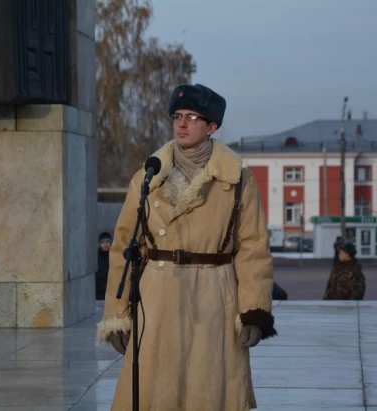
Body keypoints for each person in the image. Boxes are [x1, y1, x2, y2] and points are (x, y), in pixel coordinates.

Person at [96, 83, 276, 410]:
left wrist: (254, 312)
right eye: (177, 116)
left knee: (208, 390)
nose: (182, 124)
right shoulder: (148, 177)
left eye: (192, 117)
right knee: (155, 392)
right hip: (156, 296)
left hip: (214, 296)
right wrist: (117, 315)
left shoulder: (238, 182)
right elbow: (124, 248)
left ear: (212, 127)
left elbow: (253, 250)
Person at [95, 232, 112, 300]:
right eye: (102, 242)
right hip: (98, 294)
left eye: (107, 241)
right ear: (99, 244)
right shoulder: (95, 257)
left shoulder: (114, 256)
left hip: (111, 292)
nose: (105, 244)